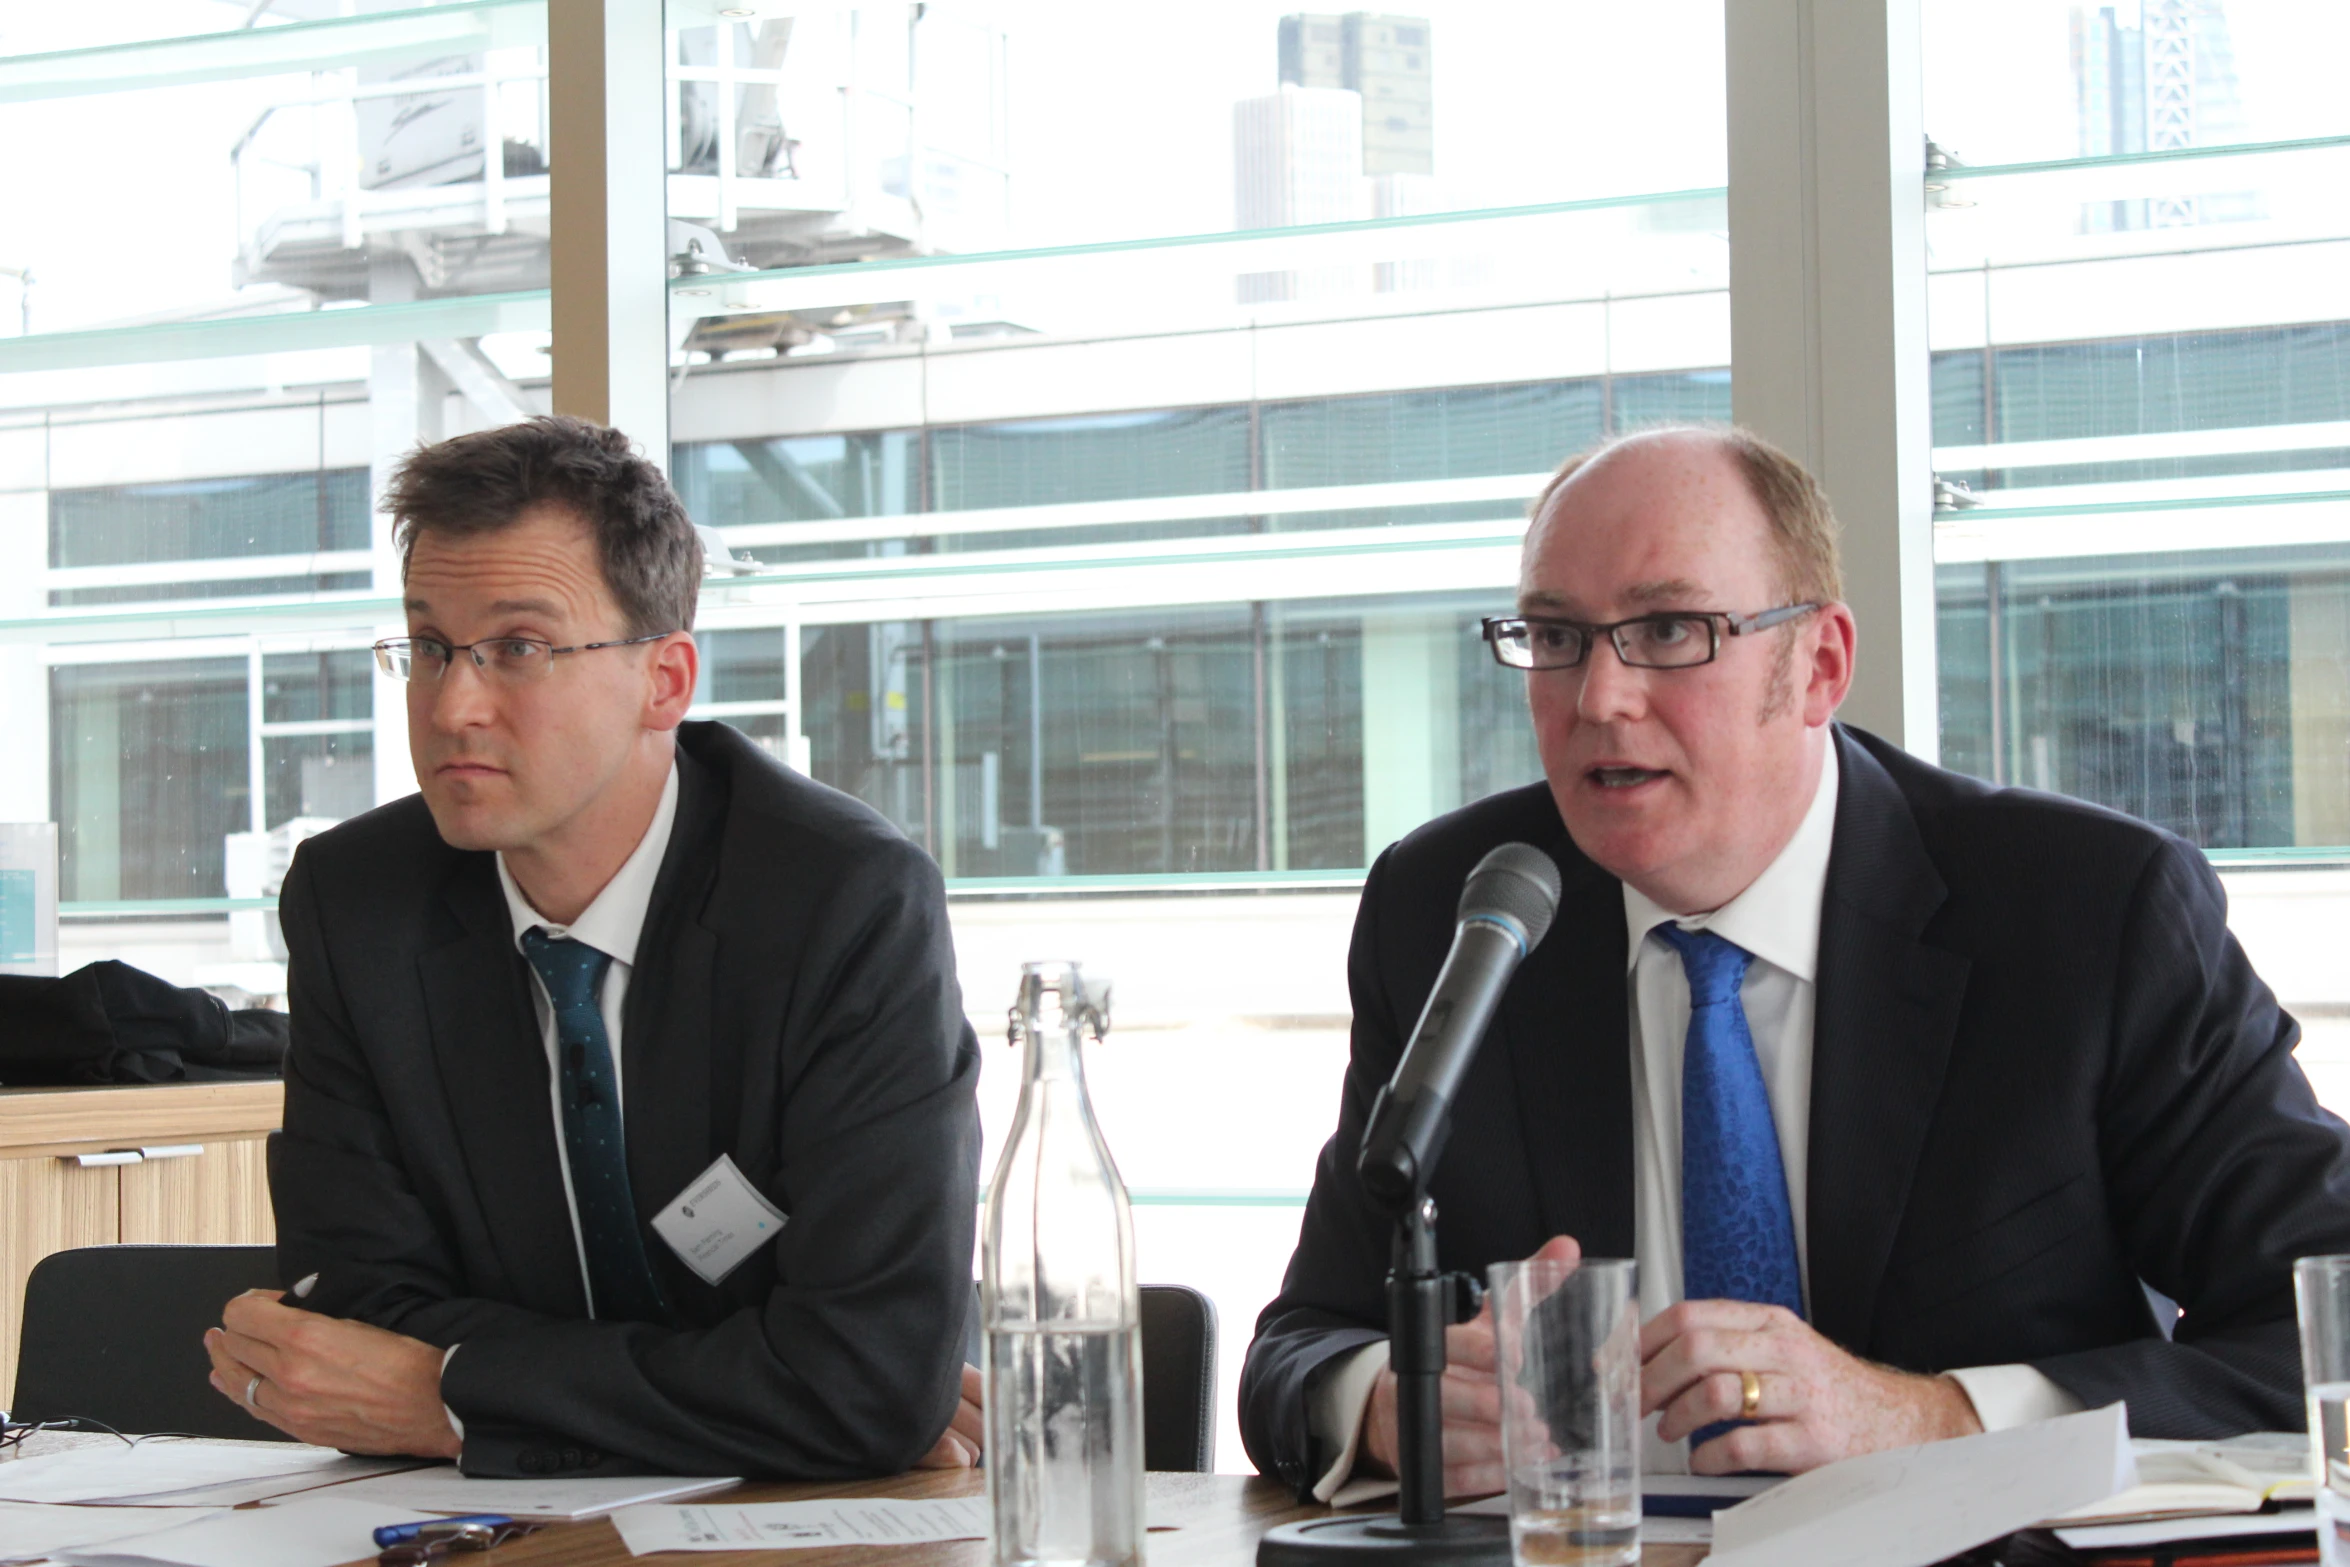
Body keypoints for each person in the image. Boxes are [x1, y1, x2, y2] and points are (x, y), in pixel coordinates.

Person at [1239, 425, 2350, 1500]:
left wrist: (1934, 1418)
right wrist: (1391, 1401)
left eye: (1669, 630)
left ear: (1818, 666)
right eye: (1557, 635)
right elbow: (1300, 1344)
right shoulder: (1458, 904)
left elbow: (2326, 1318)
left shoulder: (2084, 913)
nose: (1598, 698)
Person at [202, 416, 986, 1478]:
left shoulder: (838, 901)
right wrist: (753, 1388)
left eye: (518, 648)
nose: (451, 704)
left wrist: (449, 1399)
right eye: (429, 646)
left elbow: (858, 1380)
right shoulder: (358, 900)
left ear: (665, 680)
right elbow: (356, 1305)